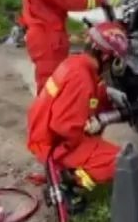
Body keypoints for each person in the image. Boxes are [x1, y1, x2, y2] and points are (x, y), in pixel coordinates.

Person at [26, 21, 130, 196]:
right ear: (105, 57)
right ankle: (69, 176)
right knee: (122, 162)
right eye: (115, 59)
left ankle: (70, 164)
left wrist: (109, 99)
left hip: (45, 133)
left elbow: (93, 98)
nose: (115, 65)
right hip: (54, 144)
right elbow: (63, 127)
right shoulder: (81, 79)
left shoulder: (78, 64)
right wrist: (85, 134)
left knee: (99, 142)